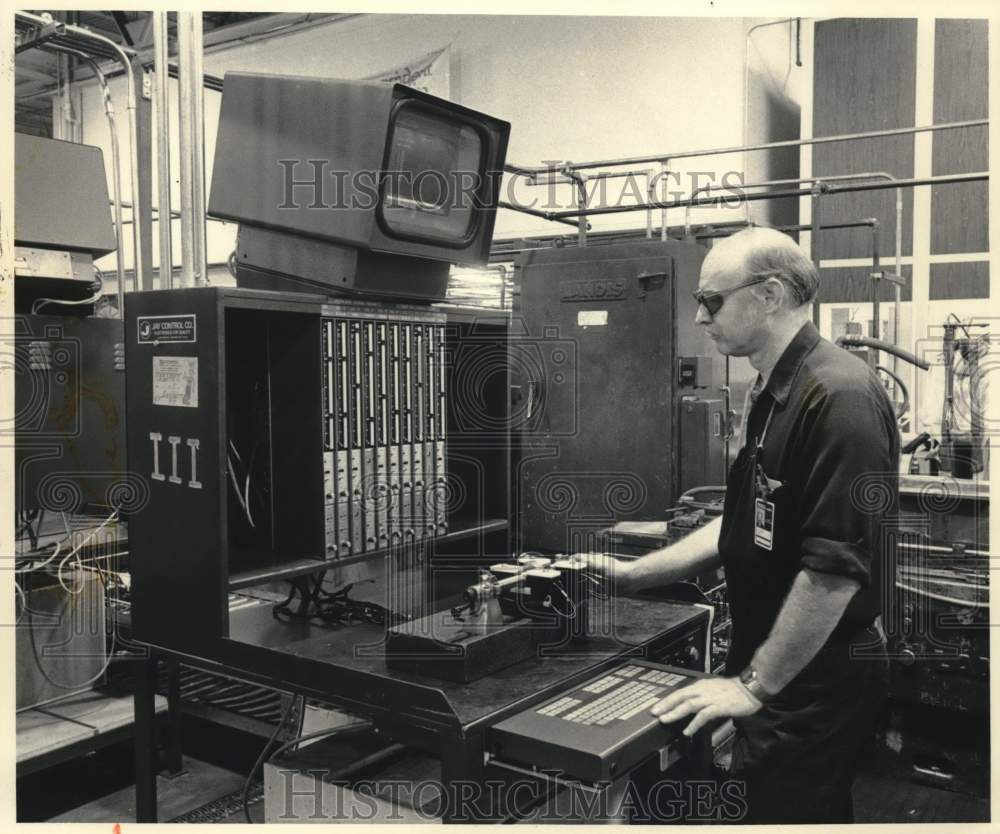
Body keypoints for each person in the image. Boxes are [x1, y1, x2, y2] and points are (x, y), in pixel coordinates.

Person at [588, 227, 897, 823]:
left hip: (816, 675)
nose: (701, 318)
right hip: (780, 661)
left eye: (711, 300)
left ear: (770, 296)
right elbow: (739, 521)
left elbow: (832, 572)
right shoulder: (770, 389)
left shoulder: (838, 397)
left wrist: (755, 686)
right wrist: (630, 576)